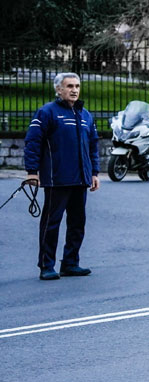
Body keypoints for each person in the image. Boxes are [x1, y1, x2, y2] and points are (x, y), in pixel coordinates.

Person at [23, 73, 99, 280]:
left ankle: (70, 263)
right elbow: (33, 142)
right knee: (51, 223)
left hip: (81, 179)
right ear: (58, 89)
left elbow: (93, 145)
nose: (74, 90)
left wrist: (94, 173)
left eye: (77, 86)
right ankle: (46, 265)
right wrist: (32, 172)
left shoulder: (86, 115)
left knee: (77, 223)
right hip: (56, 179)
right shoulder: (47, 112)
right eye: (69, 86)